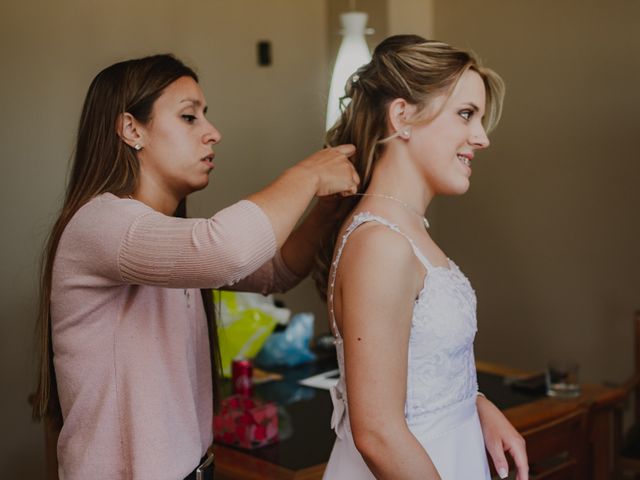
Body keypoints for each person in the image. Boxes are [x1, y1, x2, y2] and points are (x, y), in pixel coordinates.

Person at [31, 54, 359, 480]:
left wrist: (324, 213)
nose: (212, 133)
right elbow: (224, 252)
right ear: (132, 129)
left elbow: (275, 271)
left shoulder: (161, 236)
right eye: (189, 117)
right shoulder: (101, 224)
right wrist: (308, 175)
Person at [314, 35, 528, 479]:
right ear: (402, 116)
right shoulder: (380, 243)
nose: (482, 138)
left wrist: (475, 404)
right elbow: (377, 433)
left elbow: (419, 366)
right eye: (466, 115)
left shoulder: (406, 231)